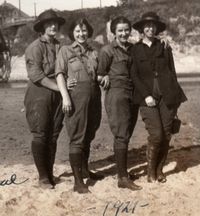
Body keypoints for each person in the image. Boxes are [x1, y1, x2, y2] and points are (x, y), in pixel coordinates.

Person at [131, 12, 187, 183]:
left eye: (153, 25)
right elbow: (134, 76)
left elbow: (172, 72)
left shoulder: (164, 46)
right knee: (156, 135)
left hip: (168, 95)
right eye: (147, 25)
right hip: (146, 97)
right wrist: (147, 95)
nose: (150, 28)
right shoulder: (134, 49)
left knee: (167, 134)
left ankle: (159, 170)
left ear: (156, 28)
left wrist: (175, 97)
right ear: (141, 29)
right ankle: (150, 171)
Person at [24, 9, 70, 188]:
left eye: (55, 23)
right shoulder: (34, 47)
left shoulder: (59, 46)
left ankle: (50, 173)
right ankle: (42, 177)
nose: (53, 26)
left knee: (53, 135)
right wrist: (61, 87)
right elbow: (36, 75)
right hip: (39, 94)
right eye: (49, 23)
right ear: (42, 27)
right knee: (40, 134)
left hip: (57, 95)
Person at [55, 18, 102, 194]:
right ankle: (78, 181)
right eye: (77, 31)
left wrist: (103, 78)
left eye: (83, 31)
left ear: (88, 32)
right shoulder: (65, 51)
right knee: (77, 137)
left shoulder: (93, 52)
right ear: (72, 34)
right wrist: (65, 97)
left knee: (89, 134)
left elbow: (95, 74)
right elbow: (59, 75)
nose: (81, 34)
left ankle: (85, 170)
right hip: (75, 99)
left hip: (94, 98)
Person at [97, 16, 142, 191]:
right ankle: (122, 178)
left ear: (130, 30)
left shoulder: (133, 48)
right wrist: (105, 77)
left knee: (127, 134)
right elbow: (99, 75)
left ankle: (123, 172)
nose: (124, 33)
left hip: (133, 95)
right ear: (114, 32)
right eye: (120, 30)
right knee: (121, 135)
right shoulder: (107, 50)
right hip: (117, 95)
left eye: (126, 30)